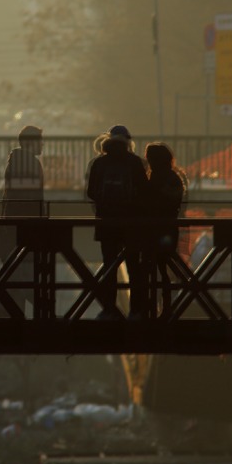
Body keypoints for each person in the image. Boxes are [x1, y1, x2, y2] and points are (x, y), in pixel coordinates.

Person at [85, 125, 149, 319]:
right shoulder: (135, 162)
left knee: (109, 266)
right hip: (131, 224)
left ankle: (109, 309)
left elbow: (91, 192)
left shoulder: (99, 163)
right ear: (128, 141)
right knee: (134, 268)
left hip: (107, 224)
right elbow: (144, 192)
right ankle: (136, 311)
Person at [0, 125, 45, 318]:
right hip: (22, 231)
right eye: (40, 140)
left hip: (12, 229)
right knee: (23, 277)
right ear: (31, 142)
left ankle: (8, 317)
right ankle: (45, 310)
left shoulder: (17, 162)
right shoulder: (28, 164)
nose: (43, 145)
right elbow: (28, 200)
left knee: (14, 278)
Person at [141, 142, 188, 318]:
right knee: (163, 267)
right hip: (168, 228)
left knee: (156, 267)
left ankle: (155, 307)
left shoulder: (157, 178)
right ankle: (166, 307)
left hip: (156, 229)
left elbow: (153, 202)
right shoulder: (173, 177)